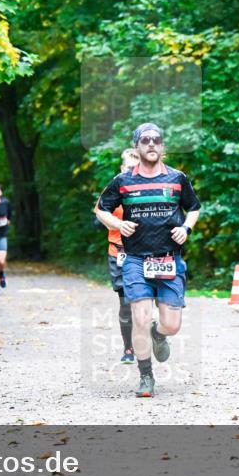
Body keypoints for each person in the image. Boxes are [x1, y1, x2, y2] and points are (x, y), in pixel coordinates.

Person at [95, 123, 201, 397]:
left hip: (169, 259)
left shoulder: (177, 178)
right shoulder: (123, 181)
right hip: (135, 260)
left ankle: (159, 332)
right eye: (145, 140)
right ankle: (146, 377)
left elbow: (195, 208)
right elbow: (101, 209)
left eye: (157, 140)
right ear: (137, 146)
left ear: (162, 146)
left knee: (172, 325)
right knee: (139, 318)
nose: (152, 144)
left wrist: (186, 228)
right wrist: (118, 224)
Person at [101, 148, 140, 365]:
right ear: (121, 168)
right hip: (119, 251)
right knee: (126, 303)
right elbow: (100, 214)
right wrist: (116, 223)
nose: (132, 171)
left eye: (136, 167)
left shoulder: (148, 187)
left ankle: (155, 331)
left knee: (145, 300)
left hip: (145, 253)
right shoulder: (113, 189)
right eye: (128, 167)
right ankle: (129, 348)